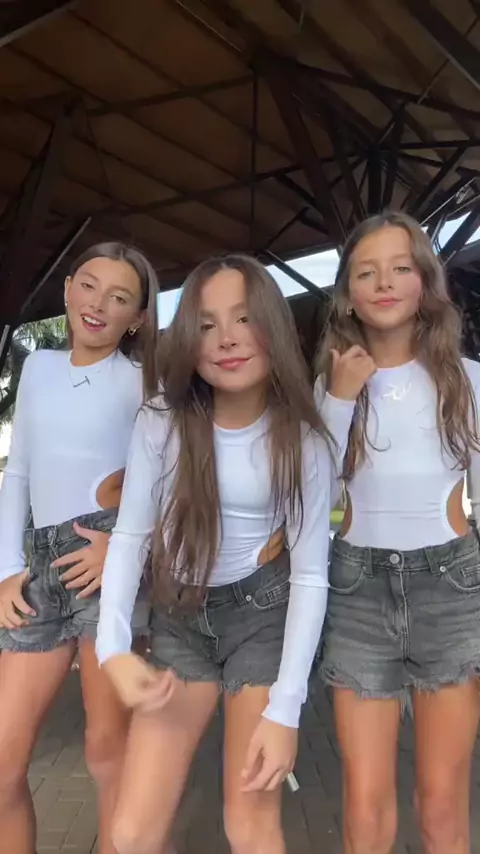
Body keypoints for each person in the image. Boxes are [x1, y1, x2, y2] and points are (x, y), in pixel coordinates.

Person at [95, 254, 333, 854]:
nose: (226, 338)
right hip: (181, 619)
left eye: (244, 318)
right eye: (206, 324)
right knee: (130, 832)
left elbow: (310, 576)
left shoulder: (303, 438)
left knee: (248, 826)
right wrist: (111, 649)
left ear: (273, 326)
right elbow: (130, 537)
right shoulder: (162, 420)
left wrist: (286, 710)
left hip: (262, 617)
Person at [315, 211, 480, 854]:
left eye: (400, 268)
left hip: (451, 588)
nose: (384, 282)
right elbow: (313, 494)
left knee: (441, 805)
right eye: (367, 272)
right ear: (347, 295)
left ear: (425, 283)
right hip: (357, 591)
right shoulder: (331, 387)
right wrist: (339, 396)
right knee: (364, 807)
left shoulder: (467, 379)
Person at [0, 242, 159, 854]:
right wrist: (7, 568)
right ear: (67, 288)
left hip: (107, 564)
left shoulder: (143, 381)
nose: (98, 304)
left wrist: (120, 548)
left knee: (107, 753)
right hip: (38, 567)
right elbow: (17, 472)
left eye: (119, 297)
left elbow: (169, 483)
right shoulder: (38, 367)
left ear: (136, 318)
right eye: (89, 285)